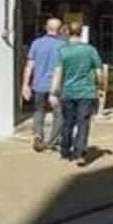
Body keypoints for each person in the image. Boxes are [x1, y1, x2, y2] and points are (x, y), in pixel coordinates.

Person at [49, 21, 105, 167]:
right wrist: (101, 87)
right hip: (86, 92)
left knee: (68, 121)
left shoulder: (63, 51)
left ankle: (65, 150)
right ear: (81, 32)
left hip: (67, 92)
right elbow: (99, 71)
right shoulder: (90, 50)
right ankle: (79, 152)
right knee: (83, 122)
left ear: (68, 32)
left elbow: (58, 72)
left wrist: (53, 92)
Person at [22, 17, 65, 153]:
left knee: (39, 111)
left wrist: (25, 85)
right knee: (59, 114)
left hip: (38, 85)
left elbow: (29, 66)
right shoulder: (64, 45)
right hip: (57, 86)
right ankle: (51, 141)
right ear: (60, 29)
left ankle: (38, 135)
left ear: (46, 28)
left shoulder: (36, 44)